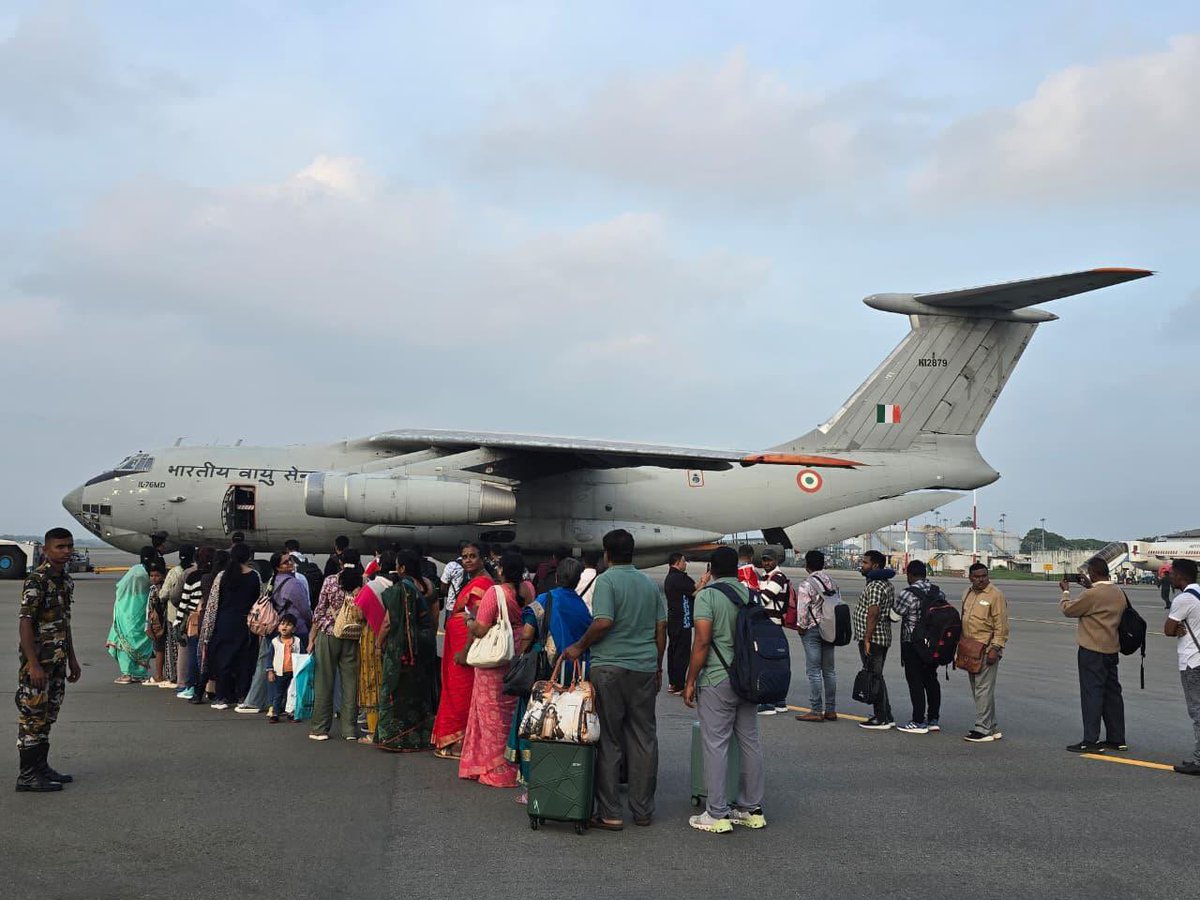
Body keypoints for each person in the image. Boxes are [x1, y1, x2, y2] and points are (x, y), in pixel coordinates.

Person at [563, 529, 666, 830]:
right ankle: (643, 810)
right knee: (644, 738)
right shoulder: (649, 584)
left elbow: (604, 621)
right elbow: (661, 629)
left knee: (608, 739)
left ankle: (610, 812)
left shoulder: (607, 580)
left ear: (607, 554)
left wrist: (579, 646)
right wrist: (657, 666)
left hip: (609, 668)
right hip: (644, 667)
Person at [683, 545, 767, 833]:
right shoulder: (750, 595)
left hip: (718, 678)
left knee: (716, 745)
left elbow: (702, 641)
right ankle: (751, 809)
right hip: (749, 678)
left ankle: (717, 813)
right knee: (750, 741)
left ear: (711, 569)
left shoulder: (708, 596)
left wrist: (690, 680)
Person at [505, 556, 593, 800]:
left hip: (543, 675)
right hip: (572, 675)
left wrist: (521, 655)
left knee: (533, 725)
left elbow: (528, 632)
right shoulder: (582, 607)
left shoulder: (544, 600)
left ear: (556, 577)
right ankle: (559, 778)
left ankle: (531, 786)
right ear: (576, 581)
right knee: (562, 728)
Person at [16, 528, 81, 793]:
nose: (66, 552)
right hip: (38, 664)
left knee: (47, 716)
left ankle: (41, 767)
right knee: (32, 717)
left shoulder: (65, 580)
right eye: (60, 547)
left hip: (57, 662)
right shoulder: (37, 580)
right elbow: (25, 623)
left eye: (69, 546)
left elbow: (64, 623)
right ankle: (27, 775)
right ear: (46, 550)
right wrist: (33, 664)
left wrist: (73, 660)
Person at [459, 554, 524, 787]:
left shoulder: (495, 593)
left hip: (494, 661)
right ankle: (514, 764)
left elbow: (481, 628)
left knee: (490, 714)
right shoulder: (528, 590)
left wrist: (469, 622)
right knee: (511, 711)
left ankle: (496, 769)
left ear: (502, 570)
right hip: (517, 654)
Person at [433, 543, 493, 759]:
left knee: (462, 692)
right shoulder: (474, 581)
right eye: (464, 557)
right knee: (453, 688)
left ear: (482, 559)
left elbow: (477, 619)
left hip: (465, 645)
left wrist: (466, 650)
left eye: (473, 556)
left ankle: (460, 743)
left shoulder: (483, 583)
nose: (468, 560)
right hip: (456, 640)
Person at [1060, 557, 1127, 754]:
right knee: (1112, 694)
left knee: (1092, 694)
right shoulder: (1118, 591)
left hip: (1092, 650)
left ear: (1093, 573)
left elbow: (1069, 610)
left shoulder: (1093, 594)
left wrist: (1065, 592)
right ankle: (1117, 738)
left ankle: (1090, 740)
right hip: (1111, 648)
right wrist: (1089, 587)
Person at [375, 552, 439, 752]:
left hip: (402, 649)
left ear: (402, 568)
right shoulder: (427, 586)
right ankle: (421, 736)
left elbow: (388, 622)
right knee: (418, 692)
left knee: (395, 691)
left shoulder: (401, 589)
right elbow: (434, 618)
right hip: (424, 646)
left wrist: (378, 645)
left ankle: (395, 738)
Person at [238, 552, 313, 715]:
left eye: (290, 561)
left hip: (274, 628)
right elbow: (304, 609)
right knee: (294, 669)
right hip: (294, 629)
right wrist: (310, 624)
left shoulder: (274, 580)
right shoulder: (294, 584)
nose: (290, 564)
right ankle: (289, 703)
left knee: (268, 664)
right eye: (286, 562)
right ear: (278, 566)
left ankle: (261, 701)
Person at [308, 565, 362, 741]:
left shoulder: (331, 581)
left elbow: (319, 609)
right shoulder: (361, 584)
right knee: (351, 682)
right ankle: (349, 730)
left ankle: (320, 728)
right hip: (352, 635)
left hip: (330, 634)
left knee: (324, 680)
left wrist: (318, 630)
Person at [207, 544, 261, 711]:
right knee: (244, 659)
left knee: (224, 659)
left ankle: (222, 696)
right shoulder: (254, 576)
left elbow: (214, 601)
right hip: (245, 622)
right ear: (248, 557)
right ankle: (242, 695)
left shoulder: (223, 575)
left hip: (224, 621)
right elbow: (258, 600)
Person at [892, 561, 943, 735]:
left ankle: (918, 720)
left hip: (912, 643)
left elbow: (895, 615)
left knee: (915, 682)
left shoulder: (908, 593)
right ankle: (933, 719)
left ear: (910, 575)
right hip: (933, 643)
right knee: (931, 679)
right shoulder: (938, 591)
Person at [961, 563, 1009, 743]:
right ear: (970, 577)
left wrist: (995, 648)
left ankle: (982, 729)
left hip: (987, 648)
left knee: (983, 689)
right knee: (979, 690)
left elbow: (1002, 625)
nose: (981, 580)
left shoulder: (995, 595)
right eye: (977, 576)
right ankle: (992, 725)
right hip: (970, 648)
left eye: (984, 576)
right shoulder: (967, 593)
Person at [1164, 558, 1200, 775]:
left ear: (1181, 576)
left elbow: (1168, 629)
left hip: (1192, 661)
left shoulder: (1183, 599)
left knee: (1197, 711)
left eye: (1172, 573)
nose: (1170, 576)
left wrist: (1176, 627)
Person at [794, 550, 838, 723]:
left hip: (812, 629)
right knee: (829, 671)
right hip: (829, 627)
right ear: (823, 564)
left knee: (813, 671)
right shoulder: (831, 582)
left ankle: (816, 710)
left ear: (807, 565)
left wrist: (801, 627)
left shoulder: (806, 584)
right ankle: (831, 709)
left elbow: (802, 609)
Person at [855, 550, 896, 730]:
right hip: (880, 637)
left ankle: (881, 718)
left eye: (865, 563)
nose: (862, 566)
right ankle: (885, 714)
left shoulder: (875, 586)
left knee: (873, 677)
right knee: (876, 675)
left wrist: (867, 639)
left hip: (875, 639)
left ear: (876, 566)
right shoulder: (884, 584)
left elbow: (873, 612)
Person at [106, 548, 156, 684]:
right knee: (142, 637)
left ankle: (127, 673)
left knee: (125, 639)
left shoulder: (135, 570)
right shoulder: (151, 573)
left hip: (128, 608)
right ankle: (140, 673)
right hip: (143, 607)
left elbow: (120, 586)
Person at [176, 546, 213, 702]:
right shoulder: (216, 576)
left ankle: (191, 686)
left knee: (194, 654)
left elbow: (183, 602)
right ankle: (210, 687)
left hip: (194, 621)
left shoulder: (192, 577)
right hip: (211, 619)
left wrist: (178, 623)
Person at [756, 550, 791, 716]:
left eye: (769, 560)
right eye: (764, 560)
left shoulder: (777, 577)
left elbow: (763, 598)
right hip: (770, 625)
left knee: (767, 662)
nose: (766, 563)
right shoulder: (765, 577)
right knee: (777, 663)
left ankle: (768, 703)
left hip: (772, 625)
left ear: (776, 561)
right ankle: (779, 701)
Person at [161, 545, 194, 689]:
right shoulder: (194, 572)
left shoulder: (174, 572)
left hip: (174, 616)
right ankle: (188, 677)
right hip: (192, 617)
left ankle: (174, 677)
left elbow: (164, 594)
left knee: (173, 648)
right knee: (189, 648)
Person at [663, 552, 695, 695]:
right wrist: (704, 582)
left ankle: (673, 683)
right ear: (677, 562)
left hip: (673, 619)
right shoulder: (680, 578)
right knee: (682, 652)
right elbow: (694, 591)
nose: (685, 564)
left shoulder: (669, 578)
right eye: (683, 561)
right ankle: (679, 684)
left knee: (673, 650)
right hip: (683, 620)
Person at [266, 614, 302, 724]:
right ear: (278, 627)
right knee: (278, 693)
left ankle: (291, 712)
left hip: (293, 671)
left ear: (294, 629)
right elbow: (270, 657)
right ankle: (275, 713)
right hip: (279, 672)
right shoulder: (275, 642)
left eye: (289, 625)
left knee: (292, 693)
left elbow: (302, 654)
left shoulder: (297, 641)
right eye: (282, 624)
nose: (284, 627)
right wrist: (270, 671)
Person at [143, 561, 170, 687]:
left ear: (163, 576)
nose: (154, 578)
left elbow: (152, 609)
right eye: (152, 575)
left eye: (157, 575)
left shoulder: (160, 590)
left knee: (159, 649)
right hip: (157, 622)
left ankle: (159, 675)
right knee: (160, 648)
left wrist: (148, 626)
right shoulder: (153, 588)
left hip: (160, 623)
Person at [439, 542, 469, 622]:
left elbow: (443, 586)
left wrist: (447, 593)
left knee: (450, 628)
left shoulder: (452, 565)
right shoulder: (473, 566)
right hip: (468, 606)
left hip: (452, 605)